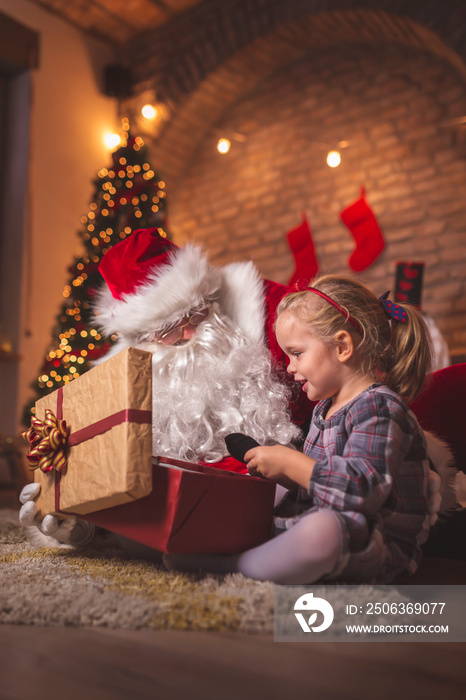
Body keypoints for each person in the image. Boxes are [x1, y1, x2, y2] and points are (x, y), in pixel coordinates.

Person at [19, 228, 311, 545]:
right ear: (144, 337)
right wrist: (83, 520)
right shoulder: (121, 382)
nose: (188, 334)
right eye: (170, 330)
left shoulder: (272, 311)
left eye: (197, 312)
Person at [164, 274, 442, 584]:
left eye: (297, 353)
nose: (291, 367)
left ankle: (237, 566)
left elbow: (362, 492)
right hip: (329, 519)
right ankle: (226, 544)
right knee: (272, 496)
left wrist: (293, 464)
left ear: (342, 346)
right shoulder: (325, 409)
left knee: (323, 531)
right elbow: (321, 484)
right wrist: (285, 475)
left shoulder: (379, 407)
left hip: (373, 543)